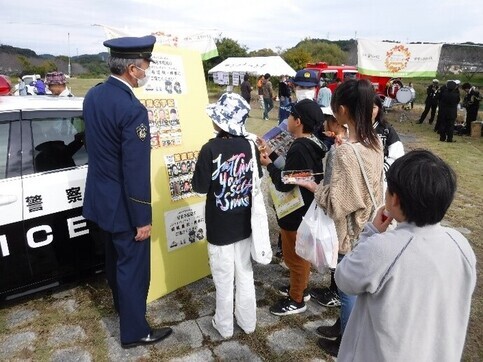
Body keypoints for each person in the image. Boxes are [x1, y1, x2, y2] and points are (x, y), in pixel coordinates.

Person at [335, 150, 476, 362]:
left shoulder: (383, 249)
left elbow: (344, 278)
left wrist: (371, 233)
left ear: (395, 199)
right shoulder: (460, 245)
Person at [82, 35, 172, 349]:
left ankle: (124, 311)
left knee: (114, 262)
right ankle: (134, 331)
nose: (148, 70)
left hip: (100, 200)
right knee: (132, 269)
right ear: (133, 69)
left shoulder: (94, 95)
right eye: (146, 64)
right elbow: (134, 171)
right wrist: (142, 218)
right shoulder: (131, 108)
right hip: (124, 205)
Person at [296, 79, 384, 357]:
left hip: (350, 230)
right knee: (351, 287)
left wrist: (313, 187)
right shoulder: (374, 142)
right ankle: (342, 326)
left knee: (347, 288)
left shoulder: (343, 151)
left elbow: (337, 203)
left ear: (342, 110)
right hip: (369, 224)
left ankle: (345, 341)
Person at [192, 92, 259, 339]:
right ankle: (248, 321)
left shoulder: (209, 149)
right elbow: (257, 180)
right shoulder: (250, 146)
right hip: (244, 222)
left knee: (223, 277)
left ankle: (224, 325)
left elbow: (199, 187)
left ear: (220, 122)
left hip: (219, 225)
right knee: (245, 272)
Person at [259, 99, 327, 316]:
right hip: (305, 207)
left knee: (295, 257)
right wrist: (270, 155)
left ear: (298, 121)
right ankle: (300, 289)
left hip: (294, 211)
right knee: (300, 254)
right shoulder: (313, 143)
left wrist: (269, 165)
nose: (286, 119)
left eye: (290, 115)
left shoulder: (299, 147)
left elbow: (284, 182)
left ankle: (296, 299)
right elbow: (294, 173)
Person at [372, 95, 405, 176]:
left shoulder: (386, 130)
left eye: (373, 107)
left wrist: (383, 171)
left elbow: (397, 154)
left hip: (381, 176)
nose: (369, 111)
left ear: (379, 109)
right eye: (365, 107)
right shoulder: (353, 128)